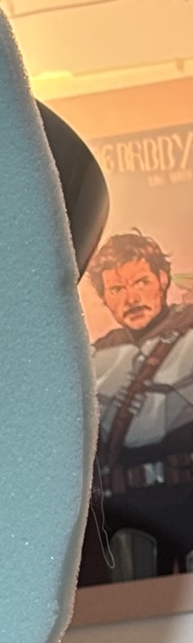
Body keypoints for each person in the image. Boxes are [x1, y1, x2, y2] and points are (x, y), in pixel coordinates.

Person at [85, 230, 193, 580]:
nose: (131, 298)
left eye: (141, 282)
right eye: (116, 289)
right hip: (125, 518)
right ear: (104, 298)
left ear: (162, 279)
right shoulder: (96, 355)